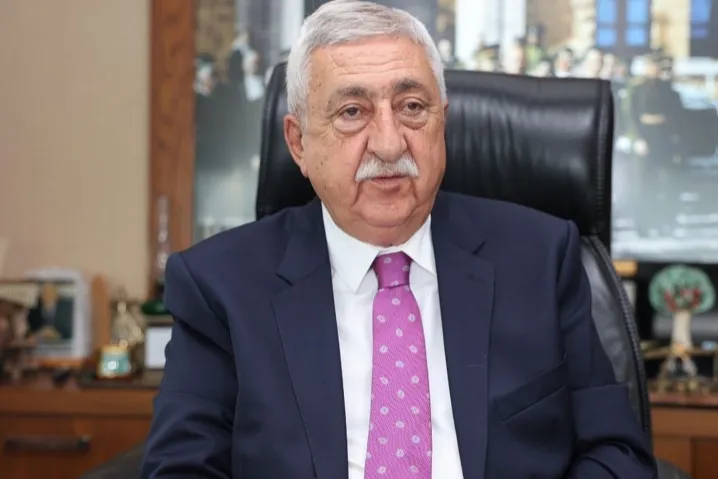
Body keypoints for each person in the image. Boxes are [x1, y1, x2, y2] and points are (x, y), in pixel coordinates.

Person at [141, 1, 656, 478]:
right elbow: (182, 469)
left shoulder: (540, 258)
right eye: (352, 112)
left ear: (442, 122)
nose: (389, 144)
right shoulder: (220, 285)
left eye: (411, 107)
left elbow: (617, 454)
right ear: (298, 143)